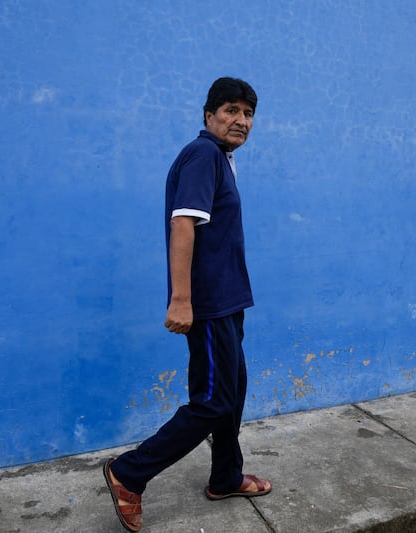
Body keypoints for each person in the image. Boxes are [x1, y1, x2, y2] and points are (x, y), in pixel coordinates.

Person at [103, 77, 271, 532]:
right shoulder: (203, 155)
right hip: (209, 306)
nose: (241, 121)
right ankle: (129, 473)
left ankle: (225, 477)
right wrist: (181, 300)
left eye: (248, 113)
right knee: (214, 401)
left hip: (228, 301)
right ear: (209, 115)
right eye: (232, 110)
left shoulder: (220, 159)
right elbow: (183, 225)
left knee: (232, 392)